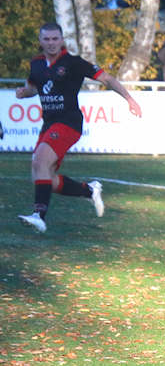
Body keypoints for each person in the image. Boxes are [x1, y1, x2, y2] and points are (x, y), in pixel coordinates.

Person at [15, 22, 143, 233]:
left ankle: (39, 216)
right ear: (40, 41)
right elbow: (33, 88)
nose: (51, 43)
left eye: (55, 38)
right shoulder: (36, 63)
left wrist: (129, 99)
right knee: (43, 176)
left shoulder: (73, 62)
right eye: (46, 39)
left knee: (40, 161)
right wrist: (24, 93)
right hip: (49, 123)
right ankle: (89, 191)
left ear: (62, 40)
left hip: (69, 122)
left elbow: (106, 79)